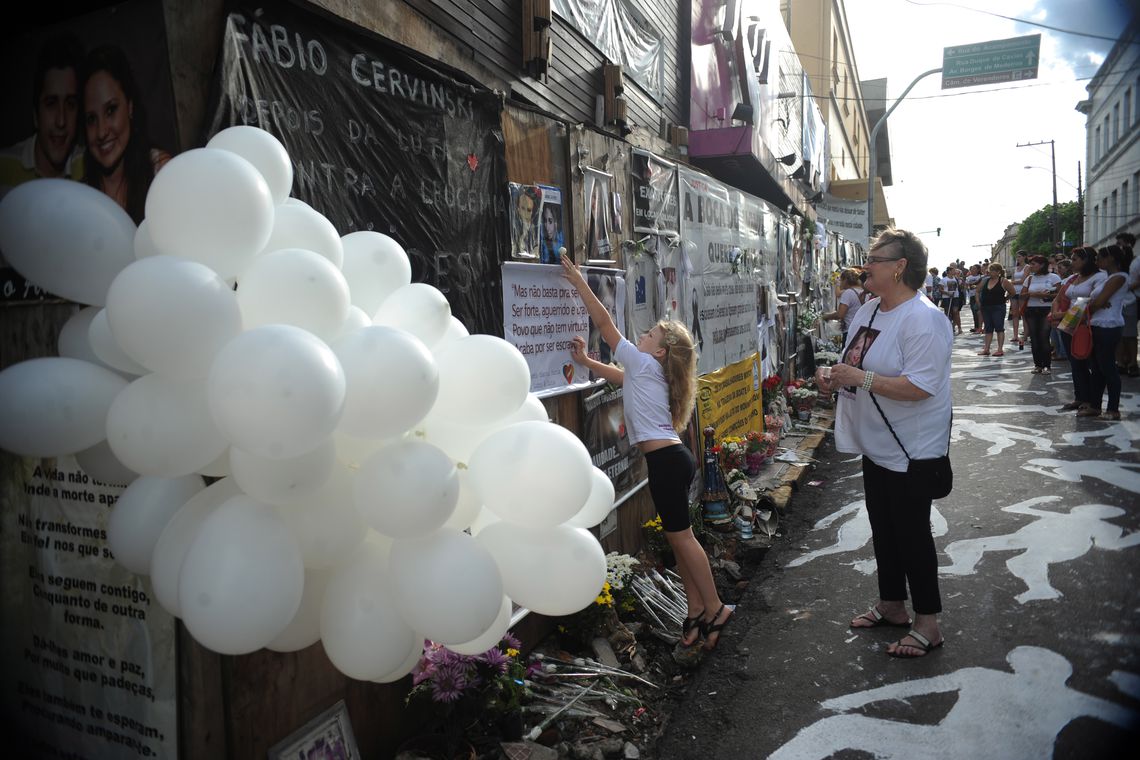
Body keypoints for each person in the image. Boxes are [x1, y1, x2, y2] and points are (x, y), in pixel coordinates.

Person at [561, 254, 734, 652]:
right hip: (671, 460)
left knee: (685, 539)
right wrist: (588, 363)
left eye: (650, 335)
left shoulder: (642, 362)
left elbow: (604, 323)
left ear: (658, 352)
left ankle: (715, 606)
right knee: (678, 541)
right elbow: (621, 378)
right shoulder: (647, 370)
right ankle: (694, 614)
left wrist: (579, 283)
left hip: (667, 463)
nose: (641, 336)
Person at [816, 228, 951, 658]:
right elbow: (853, 362)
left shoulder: (924, 319)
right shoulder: (869, 309)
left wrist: (861, 379)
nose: (866, 264)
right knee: (884, 530)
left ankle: (928, 623)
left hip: (912, 450)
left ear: (900, 267)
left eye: (876, 258)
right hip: (876, 443)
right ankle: (892, 604)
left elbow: (922, 387)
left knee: (912, 535)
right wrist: (833, 375)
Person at [81, 45, 171, 224]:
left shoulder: (160, 172)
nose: (101, 132)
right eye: (91, 119)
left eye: (111, 110)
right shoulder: (81, 196)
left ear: (130, 106)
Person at [0, 35, 85, 193]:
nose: (61, 120)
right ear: (35, 115)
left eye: (70, 104)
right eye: (51, 103)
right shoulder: (3, 168)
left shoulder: (88, 165)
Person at [1079, 245, 1129, 420]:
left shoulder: (1119, 278)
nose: (1097, 261)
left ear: (1111, 259)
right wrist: (1094, 304)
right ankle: (1095, 406)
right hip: (1096, 324)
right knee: (1097, 368)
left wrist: (1092, 305)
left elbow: (1098, 302)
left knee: (1108, 367)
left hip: (1109, 325)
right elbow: (1095, 301)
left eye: (1100, 257)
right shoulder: (1107, 278)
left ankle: (1113, 409)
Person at [1055, 247, 1106, 412]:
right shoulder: (1074, 277)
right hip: (1069, 321)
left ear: (1086, 260)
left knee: (1089, 361)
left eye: (1075, 259)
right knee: (1075, 363)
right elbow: (1060, 297)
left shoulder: (1100, 277)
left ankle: (1091, 400)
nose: (1072, 262)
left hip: (1086, 323)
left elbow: (1095, 301)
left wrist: (1063, 314)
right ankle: (1080, 397)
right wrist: (1056, 313)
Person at [1022, 255, 1062, 374]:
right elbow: (1022, 294)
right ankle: (1037, 365)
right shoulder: (1029, 278)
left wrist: (1046, 295)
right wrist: (1033, 294)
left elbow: (1060, 295)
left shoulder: (1054, 277)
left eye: (1034, 264)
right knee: (1034, 338)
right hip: (1032, 310)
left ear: (1042, 265)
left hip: (1047, 309)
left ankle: (1047, 365)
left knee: (1044, 337)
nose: (1031, 267)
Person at [974, 263, 1017, 356]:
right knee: (988, 328)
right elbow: (977, 291)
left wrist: (1005, 299)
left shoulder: (1003, 281)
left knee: (999, 327)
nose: (991, 272)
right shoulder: (985, 280)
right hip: (986, 307)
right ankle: (986, 349)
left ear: (998, 272)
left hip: (998, 307)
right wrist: (978, 302)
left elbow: (1013, 292)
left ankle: (1000, 349)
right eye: (990, 270)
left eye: (993, 270)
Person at [820, 268, 866, 345]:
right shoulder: (863, 291)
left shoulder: (848, 293)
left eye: (841, 280)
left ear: (845, 280)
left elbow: (840, 314)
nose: (840, 283)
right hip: (862, 330)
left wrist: (825, 316)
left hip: (850, 331)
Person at [1122, 232, 1140, 377]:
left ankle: (1132, 362)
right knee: (1121, 335)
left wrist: (1123, 287)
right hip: (1120, 302)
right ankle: (1123, 360)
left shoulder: (1136, 261)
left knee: (1130, 334)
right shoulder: (1119, 262)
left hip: (1132, 299)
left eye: (1120, 243)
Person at [1010, 251, 1028, 349]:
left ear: (1024, 257)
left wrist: (1011, 282)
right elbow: (1013, 281)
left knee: (1023, 313)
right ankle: (1015, 335)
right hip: (1014, 292)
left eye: (1020, 256)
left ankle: (1025, 335)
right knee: (1014, 314)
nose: (1018, 258)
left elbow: (1023, 280)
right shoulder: (1015, 268)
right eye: (1017, 257)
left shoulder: (1027, 267)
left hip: (1022, 292)